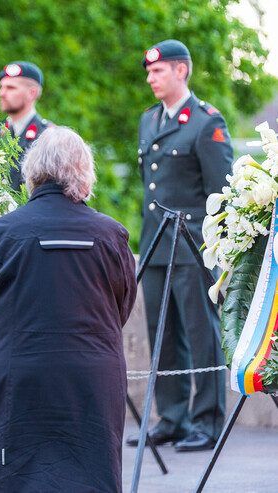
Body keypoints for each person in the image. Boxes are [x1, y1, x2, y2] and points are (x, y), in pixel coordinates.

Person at [0, 127, 137, 491]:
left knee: (10, 475)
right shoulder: (112, 235)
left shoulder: (1, 234)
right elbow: (121, 307)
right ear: (85, 175)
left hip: (19, 376)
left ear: (32, 174)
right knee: (89, 474)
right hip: (92, 377)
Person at [127, 39, 233, 452]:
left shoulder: (206, 122)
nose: (151, 78)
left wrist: (216, 253)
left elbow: (220, 195)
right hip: (156, 246)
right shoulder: (149, 120)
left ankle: (207, 422)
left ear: (181, 71)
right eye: (149, 72)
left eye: (158, 71)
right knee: (163, 334)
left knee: (201, 334)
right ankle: (172, 417)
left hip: (192, 248)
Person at [0, 61, 53, 191]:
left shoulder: (49, 138)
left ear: (32, 93)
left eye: (11, 88)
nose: (1, 93)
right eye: (1, 87)